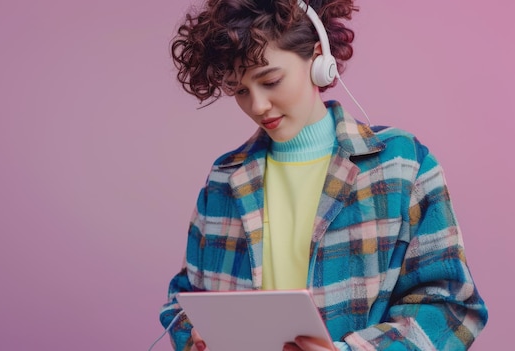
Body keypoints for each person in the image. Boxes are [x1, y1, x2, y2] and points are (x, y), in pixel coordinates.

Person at [159, 0, 488, 350]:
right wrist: (191, 339)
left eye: (270, 80)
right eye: (240, 90)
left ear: (319, 59)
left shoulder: (402, 164)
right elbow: (183, 302)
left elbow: (452, 308)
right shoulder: (223, 179)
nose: (257, 106)